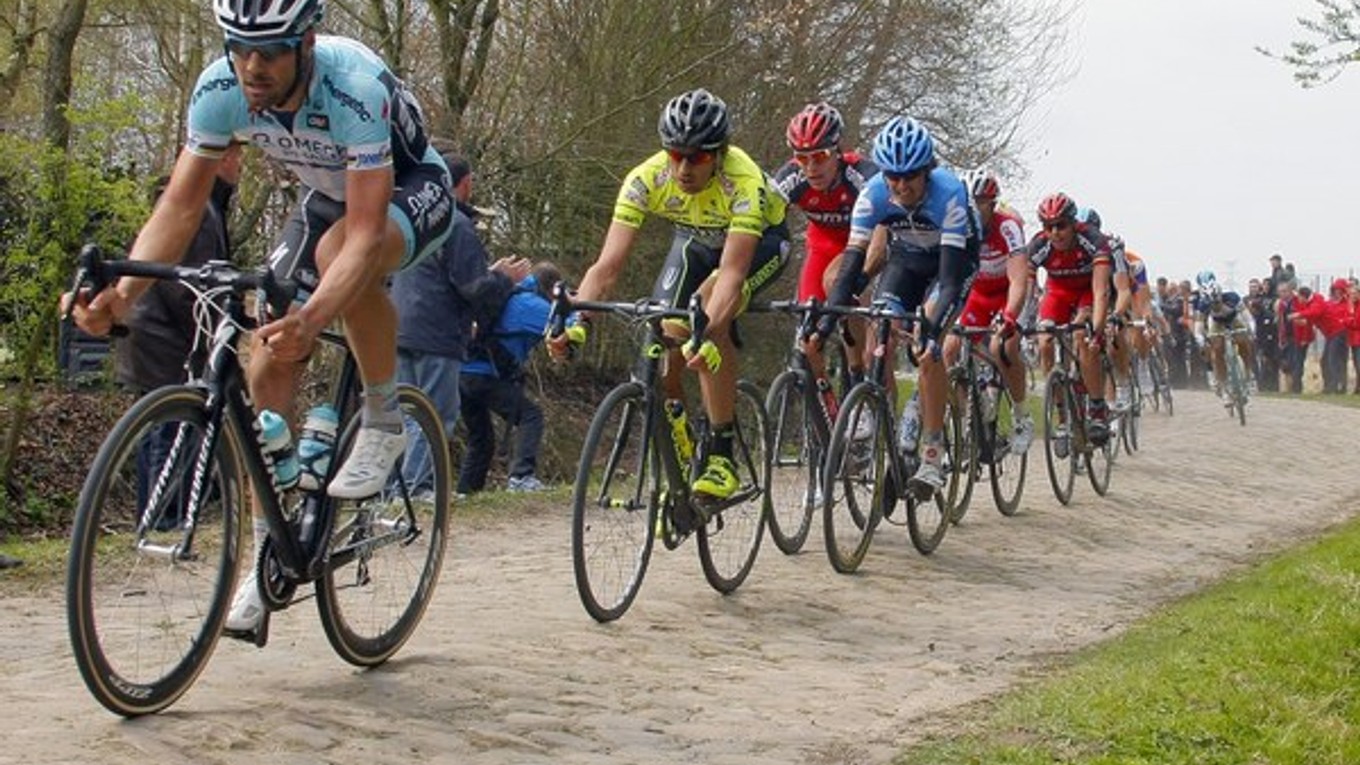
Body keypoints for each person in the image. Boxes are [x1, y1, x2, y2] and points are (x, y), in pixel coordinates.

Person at [67, 0, 457, 640]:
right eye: (239, 48)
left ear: (307, 43)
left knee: (336, 260)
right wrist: (124, 294)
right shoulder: (218, 89)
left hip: (410, 190)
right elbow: (181, 206)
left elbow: (363, 237)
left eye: (271, 51)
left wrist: (315, 315)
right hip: (324, 197)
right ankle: (268, 552)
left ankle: (384, 416)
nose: (252, 67)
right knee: (268, 354)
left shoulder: (353, 86)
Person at [548, 88, 790, 503]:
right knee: (664, 335)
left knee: (708, 313)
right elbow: (606, 267)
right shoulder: (646, 179)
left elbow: (732, 274)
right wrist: (577, 322)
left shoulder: (743, 180)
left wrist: (706, 332)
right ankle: (680, 447)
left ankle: (722, 455)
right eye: (675, 154)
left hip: (759, 244)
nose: (683, 168)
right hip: (695, 240)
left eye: (697, 157)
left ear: (719, 154)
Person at [819, 116, 981, 495]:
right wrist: (827, 321)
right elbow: (852, 264)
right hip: (906, 258)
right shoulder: (874, 193)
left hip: (952, 262)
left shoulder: (949, 193)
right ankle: (880, 418)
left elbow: (950, 280)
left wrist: (931, 330)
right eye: (893, 176)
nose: (902, 185)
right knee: (880, 328)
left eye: (910, 177)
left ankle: (932, 452)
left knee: (928, 348)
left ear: (927, 171)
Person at [117, 144, 242, 531]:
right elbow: (189, 288)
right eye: (237, 157)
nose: (240, 166)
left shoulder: (202, 204)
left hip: (150, 333)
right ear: (221, 159)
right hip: (166, 337)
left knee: (159, 426)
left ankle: (154, 514)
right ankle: (165, 516)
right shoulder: (197, 208)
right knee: (172, 429)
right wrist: (213, 336)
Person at [392, 148, 529, 500]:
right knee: (436, 414)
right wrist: (505, 279)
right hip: (437, 333)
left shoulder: (411, 220)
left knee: (405, 414)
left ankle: (393, 491)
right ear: (465, 184)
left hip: (397, 328)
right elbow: (474, 287)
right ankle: (417, 489)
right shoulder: (456, 224)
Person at [774, 102, 879, 385]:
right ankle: (822, 399)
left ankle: (856, 374)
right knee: (807, 326)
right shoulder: (791, 179)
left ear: (837, 151)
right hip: (821, 246)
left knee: (836, 282)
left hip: (861, 243)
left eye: (820, 156)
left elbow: (885, 229)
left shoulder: (861, 176)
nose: (811, 167)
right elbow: (761, 223)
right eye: (802, 158)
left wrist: (863, 275)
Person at [1004, 191, 1114, 447]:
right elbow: (1027, 289)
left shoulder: (1093, 240)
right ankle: (1062, 415)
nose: (1055, 233)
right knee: (1045, 342)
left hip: (1087, 291)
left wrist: (1097, 331)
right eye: (1048, 226)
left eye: (1061, 225)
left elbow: (1101, 291)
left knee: (1083, 337)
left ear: (1073, 223)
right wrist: (1021, 322)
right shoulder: (1038, 245)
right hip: (1058, 292)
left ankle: (1097, 407)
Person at [456, 262, 561, 496]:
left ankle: (465, 493)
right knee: (530, 416)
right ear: (552, 288)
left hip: (463, 372)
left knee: (481, 438)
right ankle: (521, 477)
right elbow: (560, 324)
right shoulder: (531, 304)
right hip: (483, 374)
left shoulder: (511, 295)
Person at [950, 167, 1034, 453]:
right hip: (977, 294)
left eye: (979, 203)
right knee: (949, 348)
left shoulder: (1007, 227)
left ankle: (1022, 416)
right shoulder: (957, 224)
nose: (973, 209)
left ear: (992, 203)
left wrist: (1009, 316)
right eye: (968, 203)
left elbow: (1019, 280)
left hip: (1007, 293)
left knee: (1003, 347)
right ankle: (963, 425)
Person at [1191, 270, 1257, 403]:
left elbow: (1248, 317)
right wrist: (1200, 340)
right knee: (1217, 349)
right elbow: (1198, 327)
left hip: (1234, 319)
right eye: (1212, 304)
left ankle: (1249, 375)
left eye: (1217, 302)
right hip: (1216, 323)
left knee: (1243, 342)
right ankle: (1224, 386)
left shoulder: (1233, 297)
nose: (1215, 306)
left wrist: (1252, 330)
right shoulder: (1202, 305)